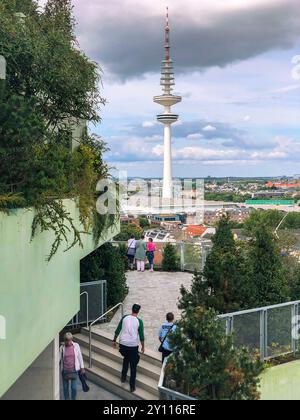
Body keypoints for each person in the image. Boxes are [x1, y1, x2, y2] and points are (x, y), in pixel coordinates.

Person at [113, 304, 145, 393]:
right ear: (138, 311)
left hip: (122, 345)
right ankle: (132, 386)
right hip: (132, 346)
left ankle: (123, 377)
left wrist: (114, 340)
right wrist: (143, 346)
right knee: (133, 366)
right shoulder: (139, 321)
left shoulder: (124, 318)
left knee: (126, 359)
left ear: (132, 310)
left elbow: (118, 329)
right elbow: (141, 336)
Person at [60, 332, 85, 401]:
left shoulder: (76, 346)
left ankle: (73, 399)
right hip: (65, 371)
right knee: (65, 388)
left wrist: (82, 367)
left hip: (74, 370)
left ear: (72, 339)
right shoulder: (62, 348)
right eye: (67, 340)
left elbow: (80, 356)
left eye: (70, 340)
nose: (68, 342)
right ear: (64, 340)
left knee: (74, 388)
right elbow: (59, 359)